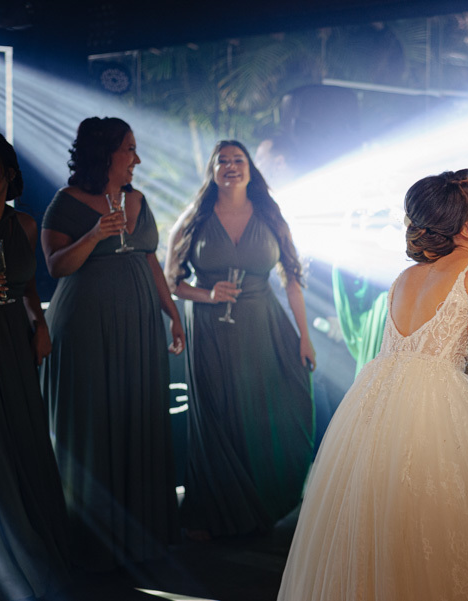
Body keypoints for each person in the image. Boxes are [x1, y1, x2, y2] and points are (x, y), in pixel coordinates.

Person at [277, 169, 468, 600]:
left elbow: (433, 359)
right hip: (433, 418)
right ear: (466, 218)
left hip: (378, 413)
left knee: (385, 530)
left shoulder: (405, 279)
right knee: (444, 528)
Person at [40, 117, 184, 571]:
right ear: (104, 153)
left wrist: (173, 314)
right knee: (93, 422)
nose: (136, 159)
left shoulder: (138, 199)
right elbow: (57, 266)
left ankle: (141, 532)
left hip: (140, 323)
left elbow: (151, 262)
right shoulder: (64, 203)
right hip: (87, 323)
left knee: (137, 416)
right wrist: (95, 234)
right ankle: (91, 540)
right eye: (129, 149)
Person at [165, 140, 315, 540]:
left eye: (238, 160)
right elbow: (171, 281)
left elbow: (292, 279)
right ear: (213, 171)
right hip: (209, 330)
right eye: (223, 161)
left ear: (250, 169)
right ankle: (215, 512)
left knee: (265, 413)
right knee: (216, 415)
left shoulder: (269, 214)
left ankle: (262, 505)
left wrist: (304, 337)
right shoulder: (194, 218)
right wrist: (207, 294)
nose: (231, 166)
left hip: (263, 326)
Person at [0, 134, 70, 599]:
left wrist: (40, 324)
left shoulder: (23, 223)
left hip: (14, 341)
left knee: (25, 436)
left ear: (8, 175)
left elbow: (27, 290)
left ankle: (39, 536)